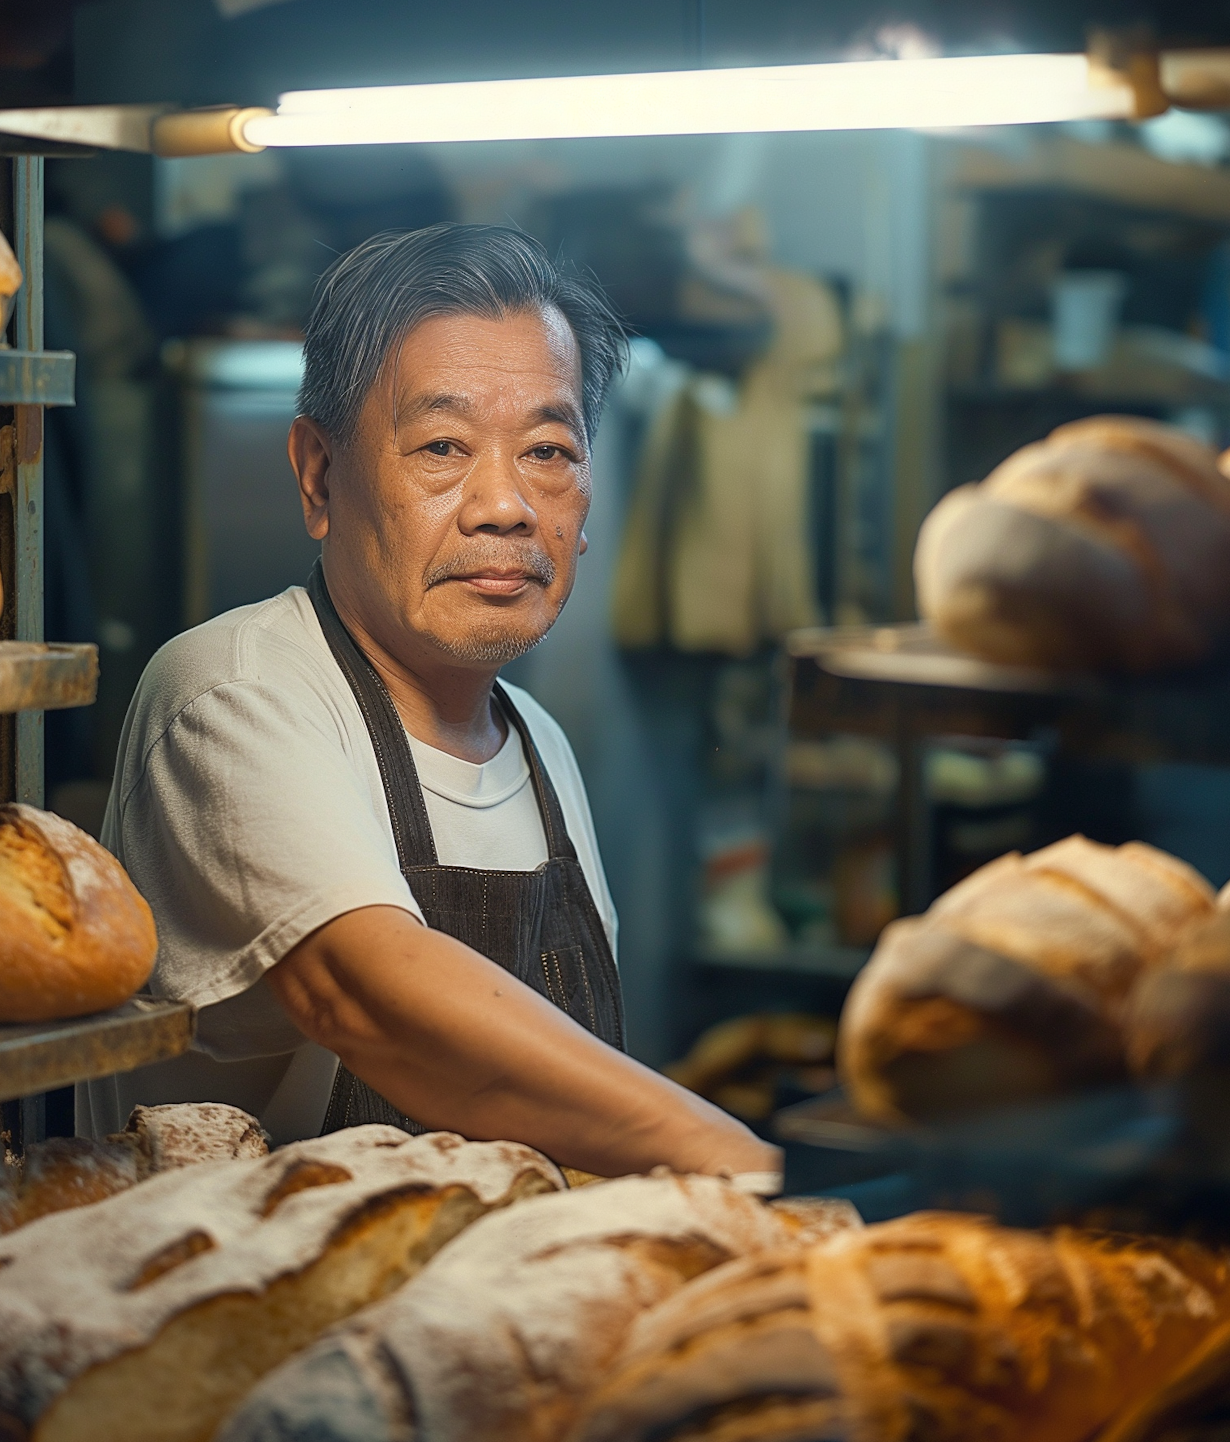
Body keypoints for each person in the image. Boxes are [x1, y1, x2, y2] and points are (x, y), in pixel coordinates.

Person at [81, 224, 777, 1178]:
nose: (505, 504)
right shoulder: (235, 692)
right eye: (443, 445)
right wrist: (735, 1161)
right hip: (282, 1314)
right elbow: (370, 996)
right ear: (319, 475)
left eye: (548, 449)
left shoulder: (540, 746)